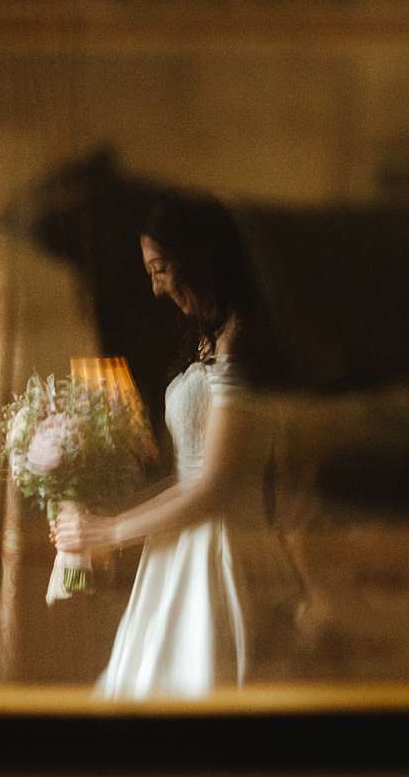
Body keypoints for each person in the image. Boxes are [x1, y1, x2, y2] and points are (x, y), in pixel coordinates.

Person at [51, 191, 303, 698]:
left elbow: (213, 488)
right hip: (179, 551)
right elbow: (190, 478)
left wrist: (108, 531)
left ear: (198, 257)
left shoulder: (242, 343)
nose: (155, 287)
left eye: (161, 268)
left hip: (222, 551)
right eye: (149, 272)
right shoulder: (210, 341)